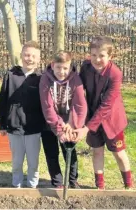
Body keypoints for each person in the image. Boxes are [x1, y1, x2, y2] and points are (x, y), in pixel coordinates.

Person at [74, 36, 133, 189]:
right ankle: (99, 186)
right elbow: (79, 92)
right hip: (92, 116)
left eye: (101, 56)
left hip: (112, 120)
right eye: (93, 55)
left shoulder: (115, 74)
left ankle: (129, 186)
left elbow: (107, 105)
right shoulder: (86, 68)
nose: (97, 59)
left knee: (119, 153)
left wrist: (86, 128)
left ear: (110, 56)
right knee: (97, 152)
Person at [0, 41, 45, 188]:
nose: (29, 58)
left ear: (38, 59)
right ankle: (16, 185)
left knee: (33, 162)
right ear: (21, 56)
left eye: (33, 56)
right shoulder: (11, 75)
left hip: (34, 128)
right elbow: (3, 99)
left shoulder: (41, 78)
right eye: (26, 55)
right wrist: (2, 122)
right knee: (17, 161)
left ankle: (32, 186)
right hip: (14, 126)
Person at [39, 51, 87, 189]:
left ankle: (72, 180)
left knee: (70, 152)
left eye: (65, 68)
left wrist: (73, 126)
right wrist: (59, 129)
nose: (62, 71)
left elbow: (80, 105)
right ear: (53, 65)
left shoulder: (76, 80)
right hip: (49, 122)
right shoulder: (45, 80)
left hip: (70, 123)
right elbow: (48, 108)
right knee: (51, 152)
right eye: (59, 67)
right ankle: (57, 182)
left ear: (70, 67)